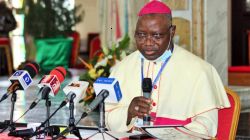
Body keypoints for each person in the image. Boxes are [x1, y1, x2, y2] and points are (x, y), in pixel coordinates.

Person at [105, 0, 230, 138]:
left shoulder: (200, 71)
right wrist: (128, 113)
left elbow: (207, 126)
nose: (147, 42)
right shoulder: (123, 68)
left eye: (156, 35)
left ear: (172, 31)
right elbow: (107, 117)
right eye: (141, 35)